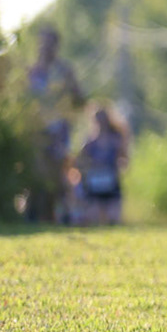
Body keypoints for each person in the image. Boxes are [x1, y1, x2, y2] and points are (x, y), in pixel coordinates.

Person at [25, 26, 84, 223]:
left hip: (59, 131)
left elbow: (79, 99)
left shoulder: (64, 71)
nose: (45, 47)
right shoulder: (31, 72)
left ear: (56, 46)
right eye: (42, 43)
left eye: (50, 43)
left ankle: (60, 215)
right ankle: (35, 214)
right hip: (36, 131)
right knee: (37, 173)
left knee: (59, 174)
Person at [74, 104, 130, 225]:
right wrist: (89, 168)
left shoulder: (116, 139)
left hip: (111, 179)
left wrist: (120, 164)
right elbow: (79, 161)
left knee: (113, 218)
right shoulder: (90, 142)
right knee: (94, 217)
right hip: (94, 181)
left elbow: (124, 158)